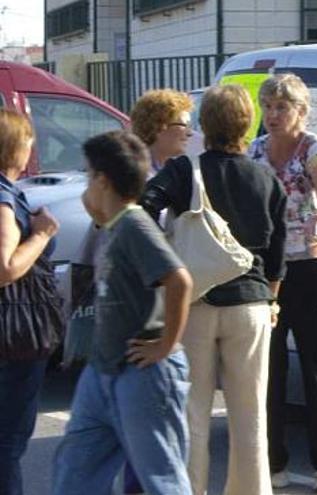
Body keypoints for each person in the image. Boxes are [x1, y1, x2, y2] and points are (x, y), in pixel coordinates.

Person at [141, 84, 287, 495]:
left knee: (193, 413)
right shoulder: (266, 178)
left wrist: (163, 264)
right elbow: (277, 253)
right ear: (247, 124)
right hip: (253, 303)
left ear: (204, 124)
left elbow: (145, 206)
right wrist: (272, 297)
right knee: (250, 415)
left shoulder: (185, 169)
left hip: (196, 300)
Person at [52, 131, 193, 494]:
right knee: (75, 470)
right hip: (103, 371)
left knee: (162, 480)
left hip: (143, 373)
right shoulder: (113, 224)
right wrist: (94, 193)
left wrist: (164, 345)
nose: (85, 185)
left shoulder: (134, 224)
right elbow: (94, 206)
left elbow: (179, 281)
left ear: (103, 179)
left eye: (88, 175)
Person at [247, 74, 317, 493]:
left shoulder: (314, 147)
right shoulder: (255, 149)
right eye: (268, 106)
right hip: (268, 269)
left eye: (281, 107)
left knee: (316, 363)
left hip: (310, 265)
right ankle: (273, 462)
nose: (272, 115)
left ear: (301, 111)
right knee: (268, 368)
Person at [123, 87, 194, 495]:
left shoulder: (168, 172)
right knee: (148, 426)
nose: (188, 132)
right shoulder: (144, 178)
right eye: (183, 125)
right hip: (147, 308)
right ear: (159, 128)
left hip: (152, 303)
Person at [0, 109, 60, 495]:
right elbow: (5, 268)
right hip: (13, 337)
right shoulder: (4, 198)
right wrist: (41, 236)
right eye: (28, 141)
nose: (32, 147)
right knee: (7, 444)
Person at [130, 89, 194, 172]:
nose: (190, 133)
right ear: (158, 126)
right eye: (184, 125)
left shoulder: (176, 170)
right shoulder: (132, 172)